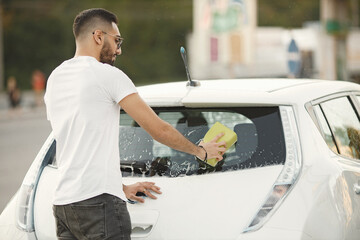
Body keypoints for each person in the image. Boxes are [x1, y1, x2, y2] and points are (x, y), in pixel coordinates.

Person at [44, 8, 226, 240]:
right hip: (98, 205)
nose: (119, 49)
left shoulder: (56, 78)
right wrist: (200, 151)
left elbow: (78, 142)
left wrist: (118, 188)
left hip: (64, 206)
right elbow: (158, 128)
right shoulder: (107, 75)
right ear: (98, 37)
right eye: (117, 40)